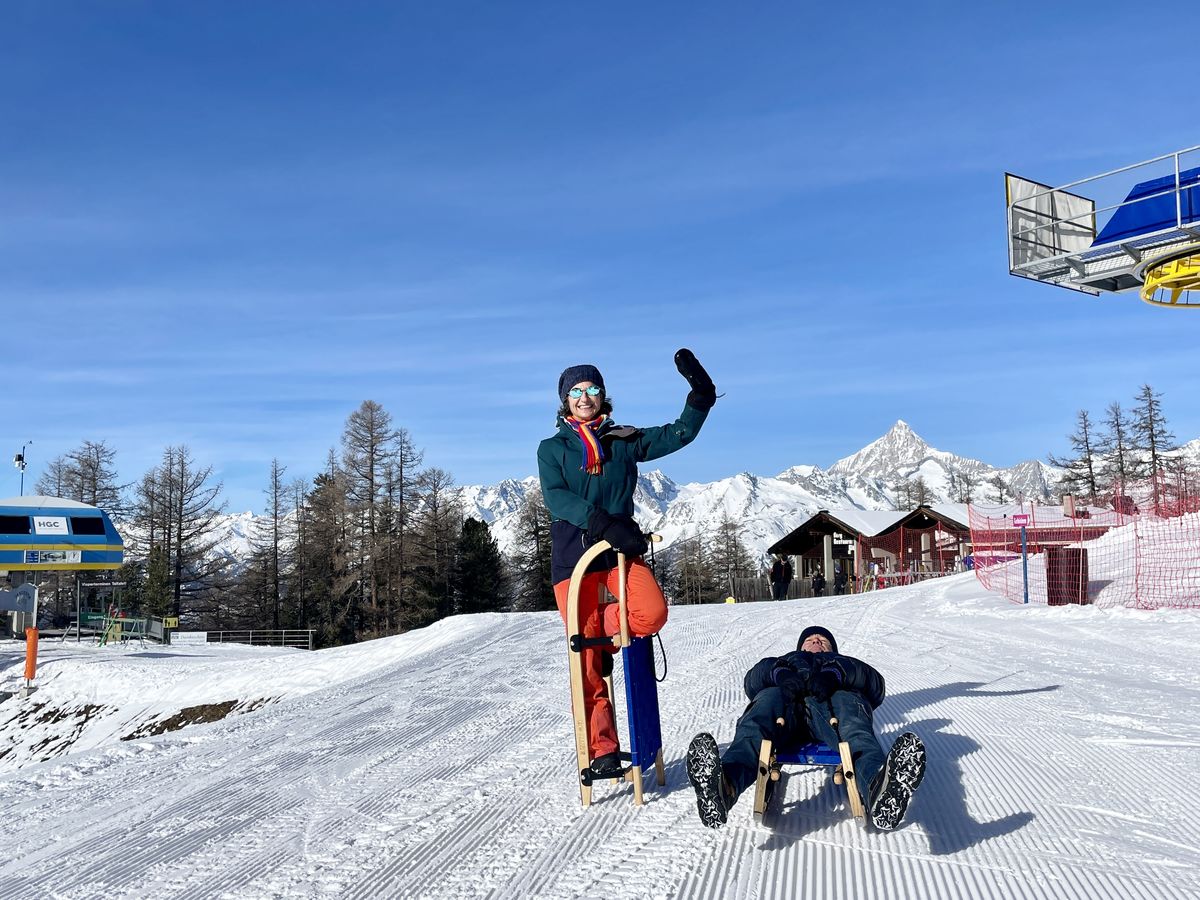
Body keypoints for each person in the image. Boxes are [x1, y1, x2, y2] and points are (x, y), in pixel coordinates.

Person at [538, 349, 716, 778]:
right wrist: (599, 521)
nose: (585, 397)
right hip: (575, 562)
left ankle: (607, 628)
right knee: (588, 664)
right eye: (576, 391)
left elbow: (677, 435)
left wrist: (700, 400)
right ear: (565, 401)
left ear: (603, 395)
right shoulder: (552, 449)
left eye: (592, 389)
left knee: (651, 613)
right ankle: (602, 749)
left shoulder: (623, 441)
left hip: (621, 554)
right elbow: (557, 497)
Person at [685, 625, 926, 831]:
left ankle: (879, 786)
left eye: (823, 640)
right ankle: (723, 786)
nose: (816, 642)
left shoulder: (843, 663)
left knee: (854, 730)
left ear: (832, 649)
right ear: (801, 647)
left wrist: (835, 674)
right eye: (810, 639)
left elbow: (876, 686)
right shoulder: (786, 660)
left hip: (831, 705)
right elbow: (751, 681)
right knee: (756, 723)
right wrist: (780, 674)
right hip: (786, 707)